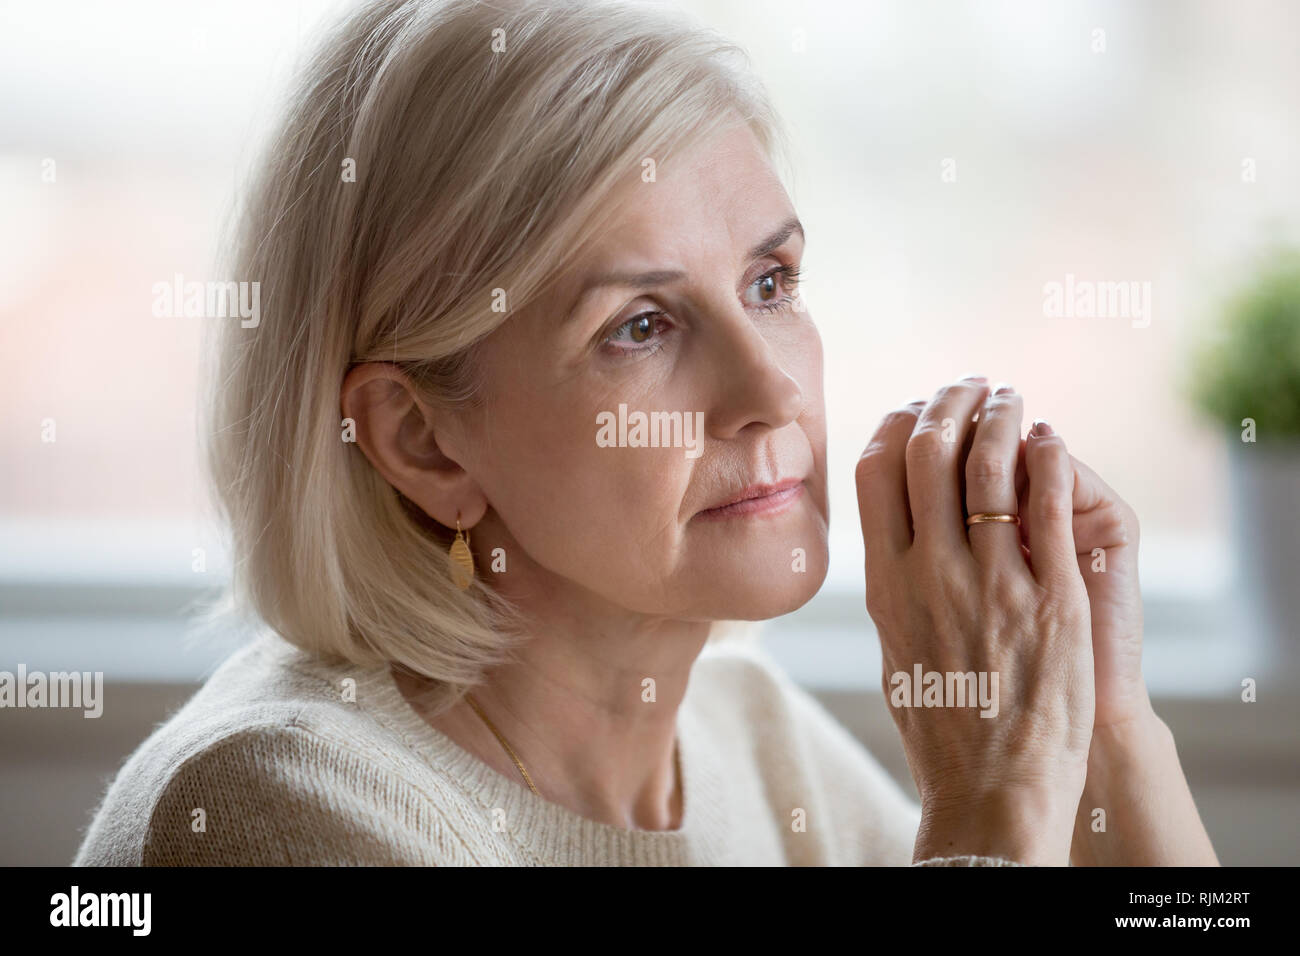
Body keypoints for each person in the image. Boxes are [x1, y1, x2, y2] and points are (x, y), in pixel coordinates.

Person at [73, 0, 1217, 866]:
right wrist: (997, 782)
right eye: (642, 323)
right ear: (422, 441)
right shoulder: (267, 810)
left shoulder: (749, 738)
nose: (771, 388)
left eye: (770, 280)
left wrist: (1103, 725)